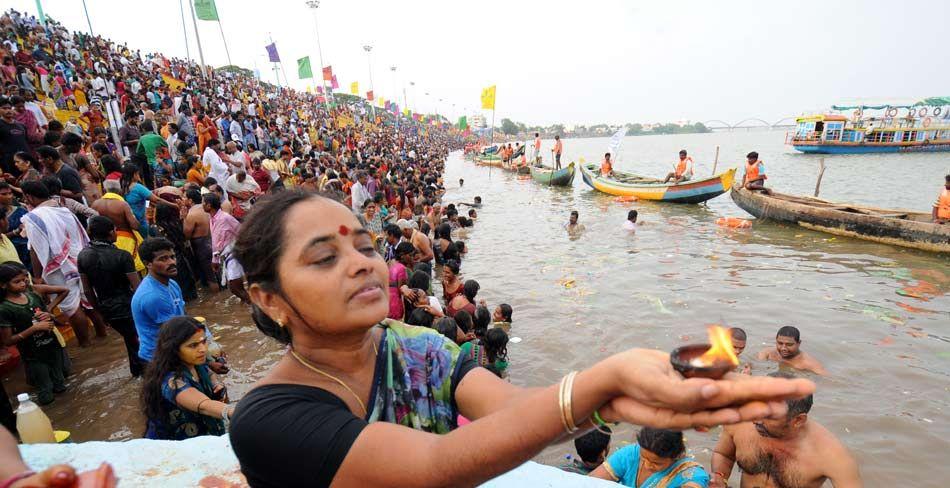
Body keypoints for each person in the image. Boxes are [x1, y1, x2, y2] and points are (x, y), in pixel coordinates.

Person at [227, 190, 813, 487]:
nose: (362, 265)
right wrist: (601, 381)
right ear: (269, 298)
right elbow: (433, 468)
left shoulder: (421, 349)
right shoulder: (269, 416)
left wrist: (613, 396)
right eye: (326, 256)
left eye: (365, 245)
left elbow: (508, 409)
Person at [710, 372, 862, 488]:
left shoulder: (832, 456)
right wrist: (719, 475)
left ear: (798, 420)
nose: (755, 420)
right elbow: (723, 454)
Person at [21, 181, 96, 346]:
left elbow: (35, 249)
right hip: (79, 260)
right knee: (89, 301)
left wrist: (38, 277)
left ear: (29, 197)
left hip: (58, 267)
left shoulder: (33, 218)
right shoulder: (63, 209)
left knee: (71, 307)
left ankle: (85, 345)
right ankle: (102, 335)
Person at [141, 316, 233, 440]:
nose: (203, 349)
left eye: (204, 341)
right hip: (174, 447)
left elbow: (209, 374)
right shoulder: (171, 381)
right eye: (193, 345)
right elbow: (204, 405)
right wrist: (237, 412)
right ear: (173, 349)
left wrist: (216, 385)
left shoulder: (195, 363)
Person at [78, 216, 145, 377]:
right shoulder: (122, 256)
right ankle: (143, 376)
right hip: (128, 306)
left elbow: (87, 291)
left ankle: (138, 374)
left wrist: (100, 312)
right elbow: (138, 287)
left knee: (132, 341)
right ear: (110, 233)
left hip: (107, 308)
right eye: (115, 230)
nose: (116, 233)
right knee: (138, 343)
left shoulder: (83, 256)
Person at [0, 262, 70, 405]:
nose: (23, 283)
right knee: (46, 392)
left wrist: (48, 315)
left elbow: (45, 314)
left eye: (25, 279)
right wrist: (34, 328)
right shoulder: (4, 309)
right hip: (33, 356)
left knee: (61, 385)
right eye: (17, 281)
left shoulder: (33, 295)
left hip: (52, 348)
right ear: (3, 285)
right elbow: (8, 341)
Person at [590, 427, 709, 487]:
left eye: (656, 463)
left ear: (676, 455)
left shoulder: (691, 476)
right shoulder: (630, 454)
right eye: (643, 457)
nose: (647, 465)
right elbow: (589, 483)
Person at [131, 238, 185, 363]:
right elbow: (174, 333)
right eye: (163, 259)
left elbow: (183, 317)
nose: (172, 262)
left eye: (172, 256)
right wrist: (207, 361)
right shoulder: (152, 296)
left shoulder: (172, 284)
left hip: (173, 346)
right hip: (159, 357)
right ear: (148, 263)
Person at [91, 178, 145, 273]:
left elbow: (92, 225)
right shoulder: (122, 205)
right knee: (129, 268)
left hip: (102, 242)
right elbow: (135, 226)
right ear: (119, 191)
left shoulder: (95, 204)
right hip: (126, 241)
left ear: (104, 190)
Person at [205, 193, 249, 303]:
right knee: (237, 287)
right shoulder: (213, 218)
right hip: (228, 253)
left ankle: (253, 305)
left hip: (234, 251)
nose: (202, 205)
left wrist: (215, 260)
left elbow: (240, 231)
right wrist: (215, 259)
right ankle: (249, 304)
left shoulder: (224, 218)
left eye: (203, 203)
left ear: (209, 205)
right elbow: (216, 241)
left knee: (234, 287)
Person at [756, 326, 827, 375]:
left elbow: (827, 381)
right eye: (780, 343)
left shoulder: (808, 364)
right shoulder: (768, 353)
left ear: (799, 343)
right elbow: (758, 367)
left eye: (789, 344)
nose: (783, 348)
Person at [184, 189, 217, 292]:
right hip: (213, 242)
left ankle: (215, 301)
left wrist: (183, 219)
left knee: (210, 276)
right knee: (218, 273)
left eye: (184, 197)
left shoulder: (192, 214)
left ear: (190, 200)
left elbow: (186, 235)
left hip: (202, 247)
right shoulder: (208, 209)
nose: (182, 199)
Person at [387, 242, 415, 320]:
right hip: (394, 305)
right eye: (410, 255)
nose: (413, 258)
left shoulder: (390, 262)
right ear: (402, 256)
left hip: (385, 302)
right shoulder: (402, 268)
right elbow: (401, 290)